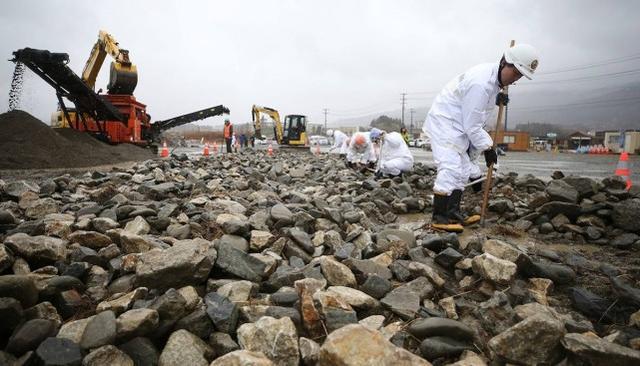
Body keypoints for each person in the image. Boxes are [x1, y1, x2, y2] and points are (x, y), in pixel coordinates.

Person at [423, 43, 539, 232]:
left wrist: (496, 99)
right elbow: (473, 125)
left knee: (462, 171)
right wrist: (488, 148)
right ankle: (439, 217)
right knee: (451, 167)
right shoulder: (481, 83)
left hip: (459, 124)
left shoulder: (494, 82)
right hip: (446, 123)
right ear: (504, 62)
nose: (515, 78)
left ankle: (453, 213)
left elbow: (477, 111)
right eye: (515, 72)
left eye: (520, 76)